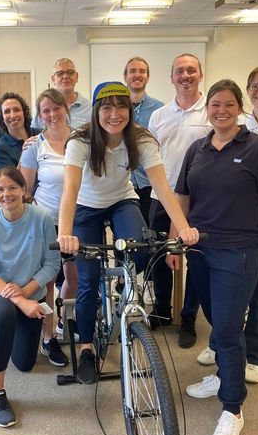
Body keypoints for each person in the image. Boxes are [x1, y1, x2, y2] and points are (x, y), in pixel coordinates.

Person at [168, 79, 258, 435]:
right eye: (214, 105)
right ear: (207, 110)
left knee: (228, 327)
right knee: (214, 319)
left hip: (239, 252)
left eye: (228, 104)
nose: (221, 111)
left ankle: (233, 407)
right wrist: (175, 241)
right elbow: (181, 198)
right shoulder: (198, 148)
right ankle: (223, 375)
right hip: (199, 250)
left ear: (240, 108)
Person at [57, 81, 200, 385]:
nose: (115, 114)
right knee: (87, 280)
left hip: (122, 200)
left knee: (142, 249)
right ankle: (86, 348)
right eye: (107, 107)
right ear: (96, 111)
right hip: (86, 206)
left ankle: (124, 282)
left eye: (122, 106)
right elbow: (70, 189)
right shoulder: (80, 140)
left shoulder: (141, 138)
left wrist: (184, 228)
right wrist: (65, 233)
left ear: (130, 110)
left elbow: (163, 187)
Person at [197, 67, 258, 380]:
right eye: (255, 86)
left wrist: (248, 189)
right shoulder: (239, 125)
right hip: (230, 214)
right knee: (225, 294)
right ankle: (222, 343)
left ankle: (257, 355)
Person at [0, 167, 60, 427]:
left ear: (24, 189)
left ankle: (9, 334)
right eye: (0, 189)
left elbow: (52, 264)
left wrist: (25, 292)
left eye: (12, 187)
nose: (6, 194)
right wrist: (19, 300)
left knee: (24, 363)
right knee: (4, 315)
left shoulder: (42, 218)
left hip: (29, 290)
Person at [147, 53, 211, 347]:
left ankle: (188, 318)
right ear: (171, 77)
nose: (185, 76)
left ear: (200, 75)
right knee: (160, 256)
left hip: (200, 200)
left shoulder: (210, 112)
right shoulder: (159, 115)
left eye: (191, 70)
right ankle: (162, 310)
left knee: (196, 259)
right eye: (179, 71)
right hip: (162, 197)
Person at [20, 89, 77, 365]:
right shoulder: (34, 147)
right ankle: (48, 338)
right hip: (46, 222)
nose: (53, 114)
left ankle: (63, 320)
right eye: (46, 111)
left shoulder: (82, 139)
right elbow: (25, 191)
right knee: (48, 282)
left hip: (78, 219)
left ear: (66, 108)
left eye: (57, 108)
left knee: (75, 277)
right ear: (40, 115)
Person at [123, 57, 164, 226]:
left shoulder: (160, 110)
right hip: (121, 183)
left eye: (142, 71)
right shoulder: (115, 107)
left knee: (151, 231)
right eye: (132, 71)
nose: (137, 75)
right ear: (125, 76)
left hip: (149, 184)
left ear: (148, 77)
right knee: (125, 233)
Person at [33, 58, 92, 129]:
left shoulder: (89, 108)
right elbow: (34, 133)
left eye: (70, 72)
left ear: (76, 77)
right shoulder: (42, 108)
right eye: (60, 74)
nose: (65, 77)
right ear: (53, 79)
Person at [0, 92, 40, 169]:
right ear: (2, 118)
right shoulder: (0, 148)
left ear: (24, 112)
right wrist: (24, 154)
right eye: (7, 111)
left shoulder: (41, 134)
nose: (13, 115)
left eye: (16, 110)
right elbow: (11, 177)